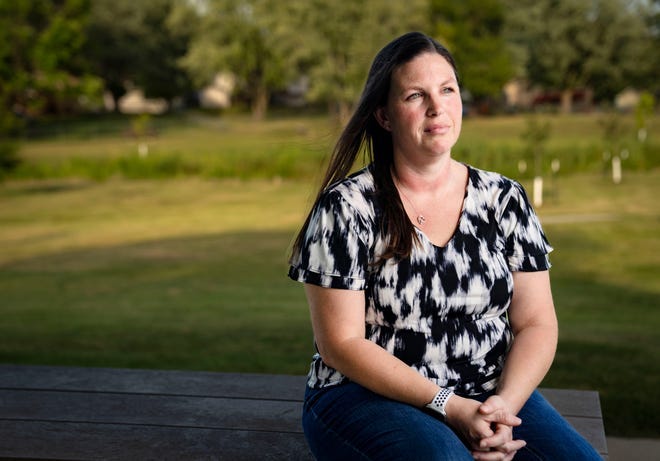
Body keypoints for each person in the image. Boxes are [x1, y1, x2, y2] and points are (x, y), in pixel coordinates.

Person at [288, 32, 601, 461]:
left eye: (447, 89)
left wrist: (503, 407)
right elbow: (340, 343)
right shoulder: (347, 207)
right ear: (383, 115)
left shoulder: (503, 199)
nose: (437, 108)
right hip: (366, 396)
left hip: (487, 391)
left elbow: (536, 324)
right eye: (416, 95)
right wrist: (449, 407)